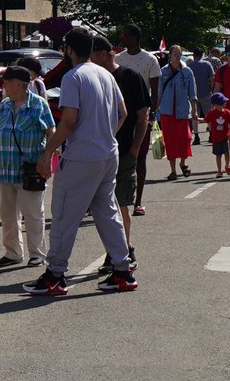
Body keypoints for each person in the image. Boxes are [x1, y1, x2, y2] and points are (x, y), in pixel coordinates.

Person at [27, 26, 137, 297]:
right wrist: (104, 135)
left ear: (69, 50)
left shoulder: (72, 77)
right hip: (107, 153)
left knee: (64, 215)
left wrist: (47, 153)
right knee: (107, 211)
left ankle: (54, 274)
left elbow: (69, 121)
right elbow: (123, 113)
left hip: (81, 156)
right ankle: (123, 270)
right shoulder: (105, 74)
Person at [0, 62, 54, 267]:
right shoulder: (4, 105)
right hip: (6, 169)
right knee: (8, 215)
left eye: (7, 83)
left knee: (33, 213)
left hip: (30, 170)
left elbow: (51, 133)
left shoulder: (38, 105)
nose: (4, 86)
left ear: (19, 84)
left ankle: (37, 253)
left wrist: (47, 159)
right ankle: (13, 252)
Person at [107, 34, 153, 239]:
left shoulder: (132, 74)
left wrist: (135, 147)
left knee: (122, 203)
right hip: (99, 153)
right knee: (106, 208)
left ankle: (125, 249)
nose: (123, 37)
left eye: (127, 34)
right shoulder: (94, 77)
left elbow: (142, 114)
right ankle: (115, 252)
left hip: (125, 147)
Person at [156, 47, 198, 179]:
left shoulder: (187, 71)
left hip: (182, 111)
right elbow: (158, 93)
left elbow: (192, 93)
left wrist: (195, 110)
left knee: (186, 138)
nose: (177, 56)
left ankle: (183, 163)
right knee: (170, 141)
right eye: (175, 54)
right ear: (170, 55)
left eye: (179, 54)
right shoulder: (163, 71)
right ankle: (173, 171)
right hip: (167, 111)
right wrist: (154, 110)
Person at [206, 93, 230, 176]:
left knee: (227, 153)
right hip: (216, 138)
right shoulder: (212, 113)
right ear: (216, 105)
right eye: (222, 102)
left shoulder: (227, 112)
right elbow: (206, 119)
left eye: (224, 102)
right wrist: (197, 118)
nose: (224, 104)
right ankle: (219, 170)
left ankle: (227, 166)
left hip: (225, 137)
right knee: (218, 155)